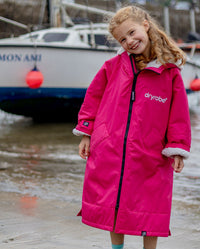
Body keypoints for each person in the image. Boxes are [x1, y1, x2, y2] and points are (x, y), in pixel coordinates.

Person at [73, 5, 191, 249]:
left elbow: (178, 115)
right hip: (111, 150)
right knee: (115, 202)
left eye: (132, 32)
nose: (129, 41)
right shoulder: (112, 67)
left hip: (151, 155)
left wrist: (177, 147)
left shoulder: (169, 74)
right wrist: (86, 133)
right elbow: (92, 99)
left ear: (145, 25)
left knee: (152, 206)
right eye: (122, 39)